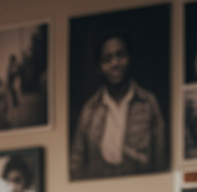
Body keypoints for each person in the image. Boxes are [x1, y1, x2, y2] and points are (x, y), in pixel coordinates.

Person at [70, 34, 167, 180]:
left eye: (120, 55)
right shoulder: (89, 110)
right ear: (99, 67)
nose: (115, 63)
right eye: (107, 59)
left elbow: (161, 161)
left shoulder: (148, 103)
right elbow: (76, 166)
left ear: (130, 58)